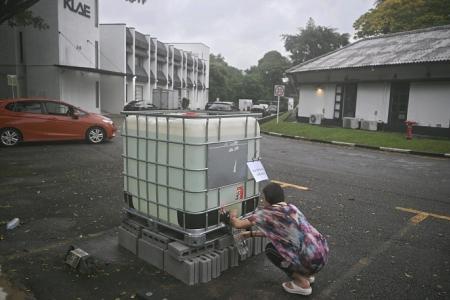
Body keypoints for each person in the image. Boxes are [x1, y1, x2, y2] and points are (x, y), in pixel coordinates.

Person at [228, 182, 329, 296]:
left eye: (263, 199)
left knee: (271, 250)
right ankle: (307, 275)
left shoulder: (267, 213)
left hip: (308, 260)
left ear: (267, 200)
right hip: (322, 255)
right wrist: (251, 234)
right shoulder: (291, 208)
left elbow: (238, 224)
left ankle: (302, 283)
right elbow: (281, 234)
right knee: (295, 247)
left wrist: (232, 213)